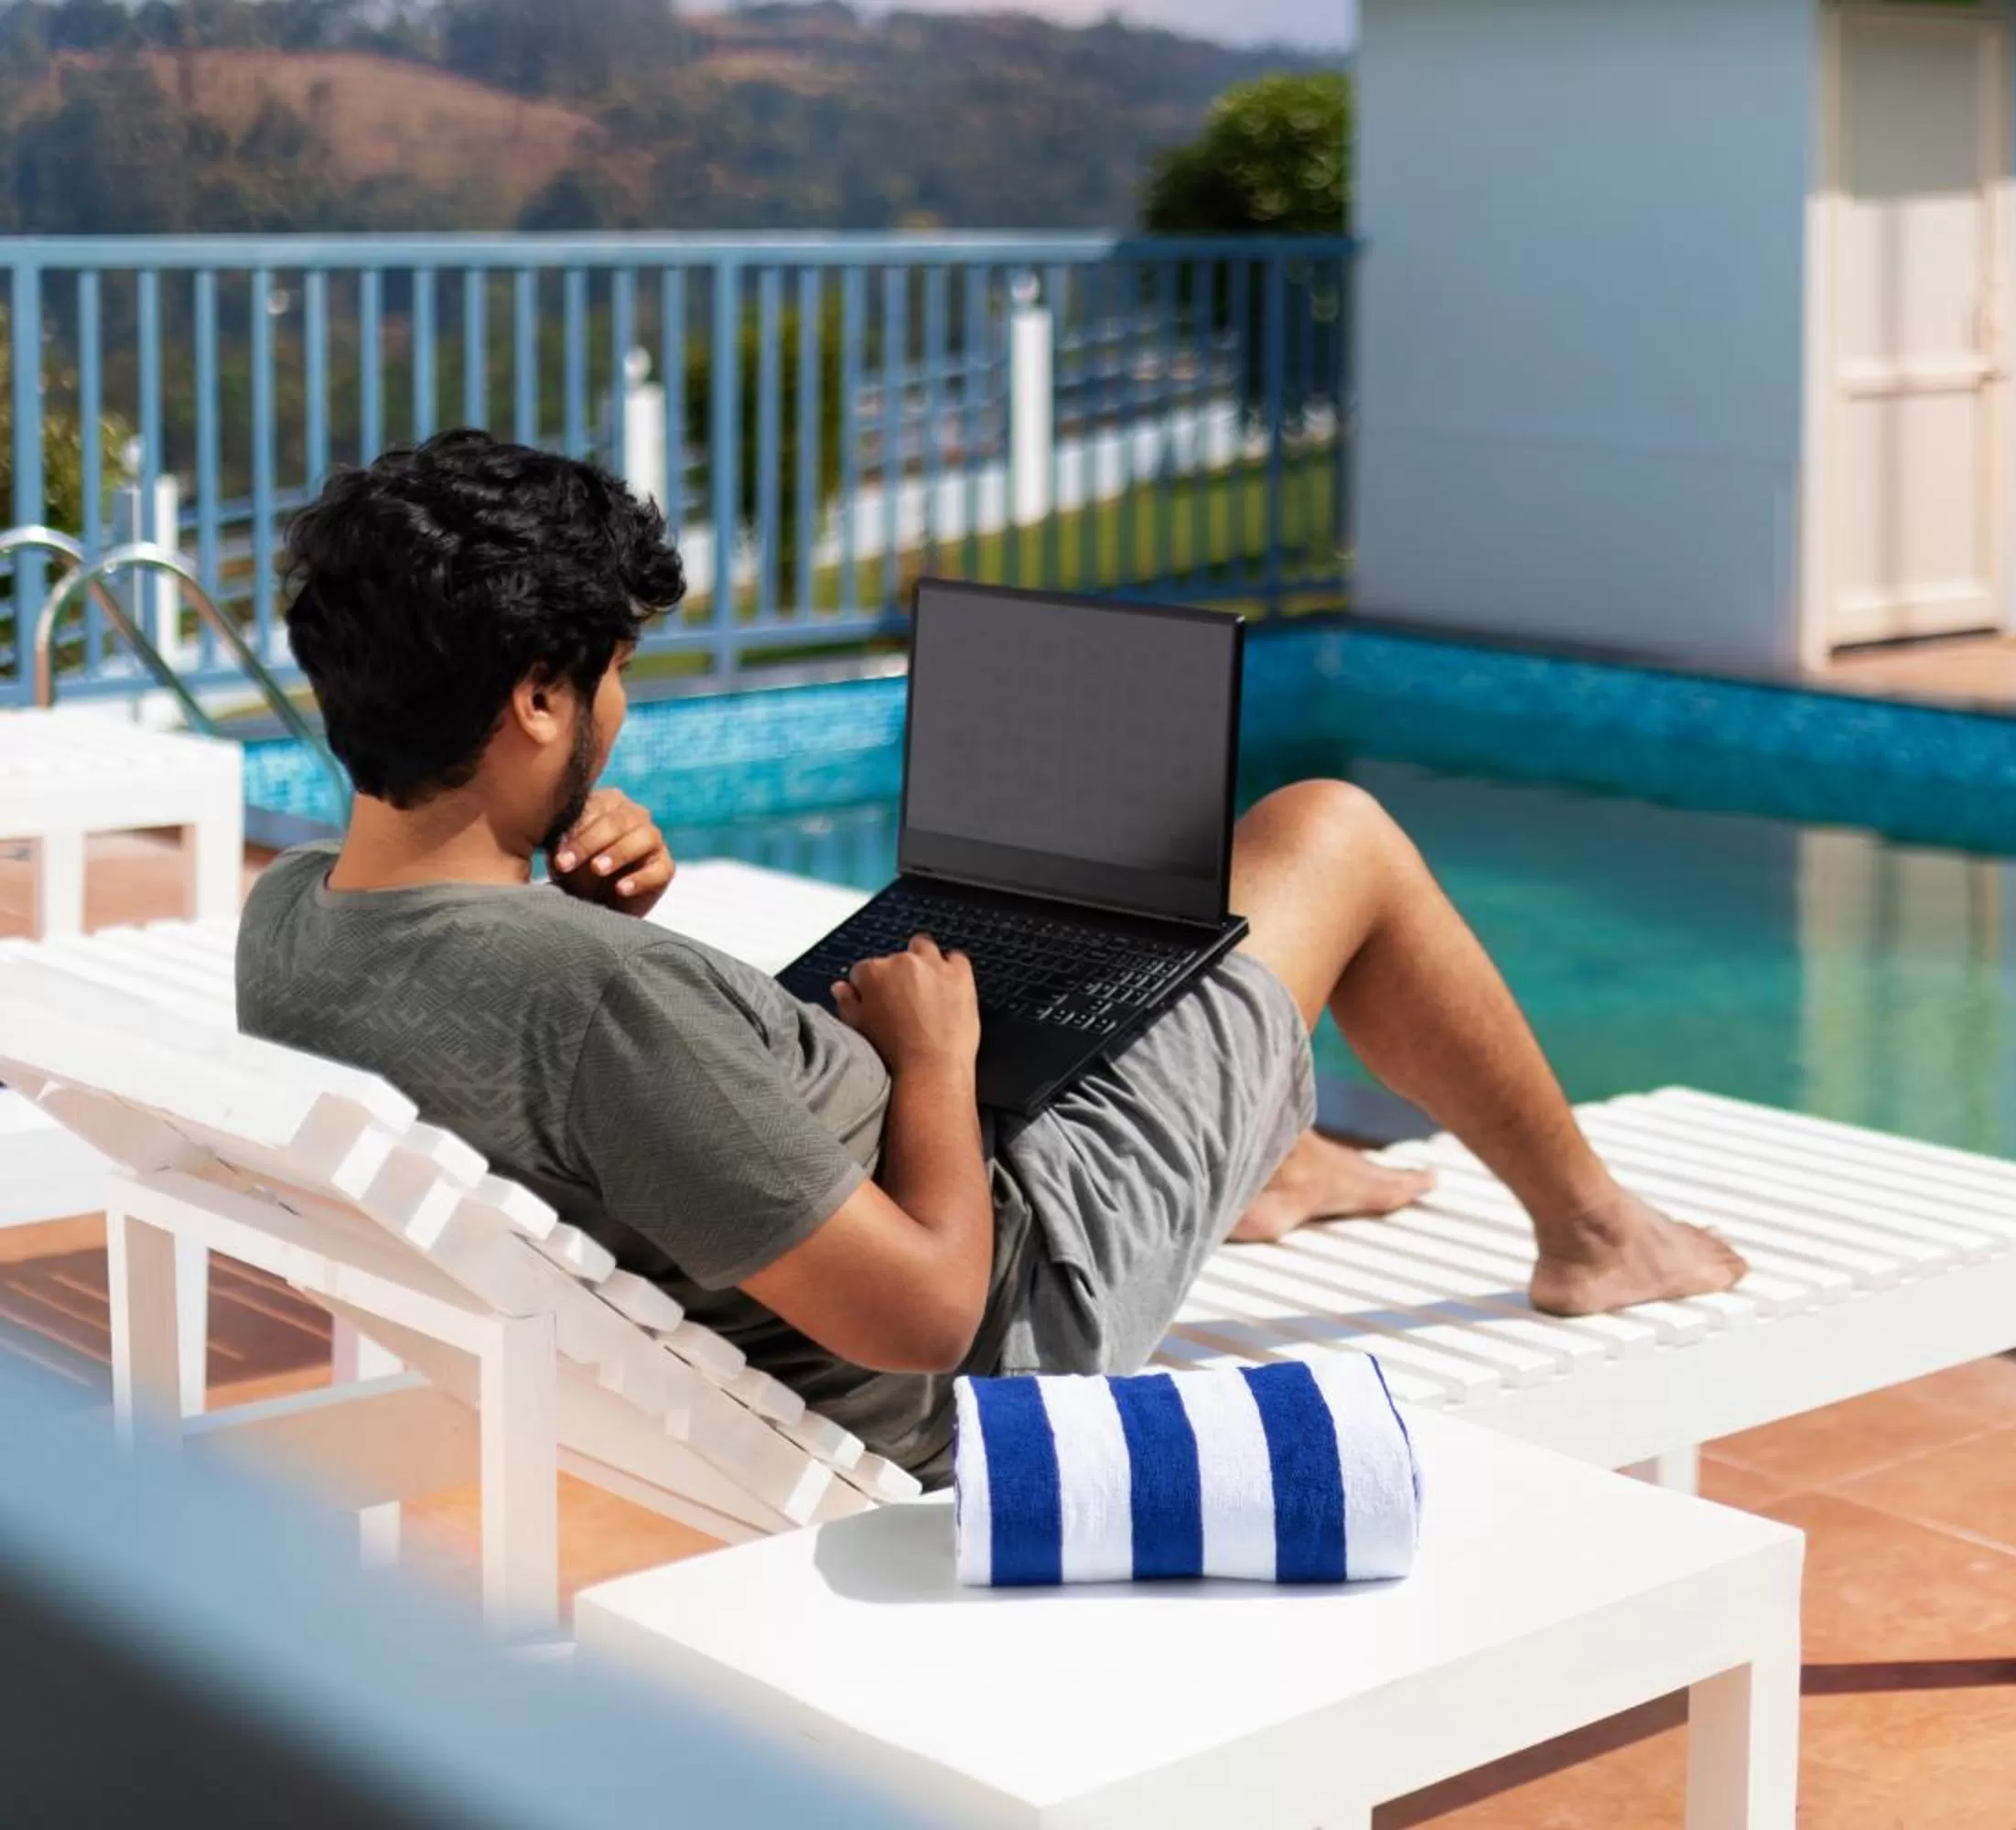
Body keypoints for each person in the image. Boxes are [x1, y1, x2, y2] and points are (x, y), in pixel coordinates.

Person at [237, 431, 1746, 1478]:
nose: (625, 707)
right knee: (1328, 833)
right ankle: (1596, 1236)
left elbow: (558, 1070)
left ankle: (1247, 1144)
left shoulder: (299, 921)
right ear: (538, 705)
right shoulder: (591, 1004)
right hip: (1009, 1321)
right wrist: (936, 1064)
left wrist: (574, 911)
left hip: (808, 1215)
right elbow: (928, 1317)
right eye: (614, 672)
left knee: (1111, 952)